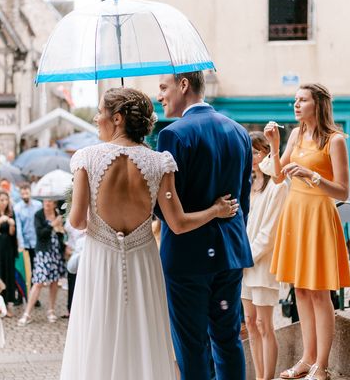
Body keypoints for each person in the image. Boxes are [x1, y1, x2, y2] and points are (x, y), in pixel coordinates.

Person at [60, 87, 239, 380]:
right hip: (142, 262)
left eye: (100, 113)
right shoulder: (160, 162)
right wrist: (215, 211)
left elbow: (78, 221)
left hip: (100, 261)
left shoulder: (86, 159)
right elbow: (178, 223)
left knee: (98, 332)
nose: (95, 119)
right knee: (142, 334)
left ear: (117, 118)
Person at [155, 72, 253, 380]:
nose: (160, 96)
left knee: (191, 344)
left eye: (163, 87)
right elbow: (244, 201)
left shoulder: (173, 134)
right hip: (229, 252)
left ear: (183, 85)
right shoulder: (239, 131)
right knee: (227, 339)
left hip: (187, 257)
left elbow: (166, 207)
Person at [265, 83, 350, 380]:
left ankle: (322, 365)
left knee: (318, 291)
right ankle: (307, 358)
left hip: (318, 215)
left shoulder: (335, 140)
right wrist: (275, 148)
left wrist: (312, 175)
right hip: (295, 213)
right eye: (295, 100)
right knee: (300, 288)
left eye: (302, 100)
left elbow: (341, 190)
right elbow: (277, 177)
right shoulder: (296, 134)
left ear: (319, 104)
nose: (296, 105)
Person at [242, 132, 289, 380]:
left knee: (264, 324)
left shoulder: (277, 187)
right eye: (249, 152)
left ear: (267, 154)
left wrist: (245, 256)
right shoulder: (248, 186)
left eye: (258, 152)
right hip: (244, 264)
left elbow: (269, 233)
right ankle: (258, 375)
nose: (253, 157)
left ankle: (267, 377)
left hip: (261, 263)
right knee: (249, 323)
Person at [18, 200, 67, 325]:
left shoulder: (58, 214)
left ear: (54, 203)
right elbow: (40, 234)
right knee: (38, 282)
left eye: (50, 201)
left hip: (56, 252)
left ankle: (51, 310)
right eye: (45, 201)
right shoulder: (38, 215)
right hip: (43, 252)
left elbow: (63, 233)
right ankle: (27, 313)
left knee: (55, 281)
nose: (47, 203)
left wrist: (61, 229)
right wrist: (52, 225)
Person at [13, 184, 42, 272]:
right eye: (23, 193)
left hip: (37, 240)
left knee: (37, 265)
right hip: (25, 242)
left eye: (27, 192)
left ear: (30, 192)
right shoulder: (17, 208)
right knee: (27, 267)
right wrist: (21, 245)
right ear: (20, 194)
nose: (25, 194)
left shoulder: (38, 205)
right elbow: (18, 227)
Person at [63, 220, 85, 317]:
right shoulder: (70, 220)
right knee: (72, 283)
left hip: (86, 254)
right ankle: (70, 309)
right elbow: (67, 235)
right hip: (73, 253)